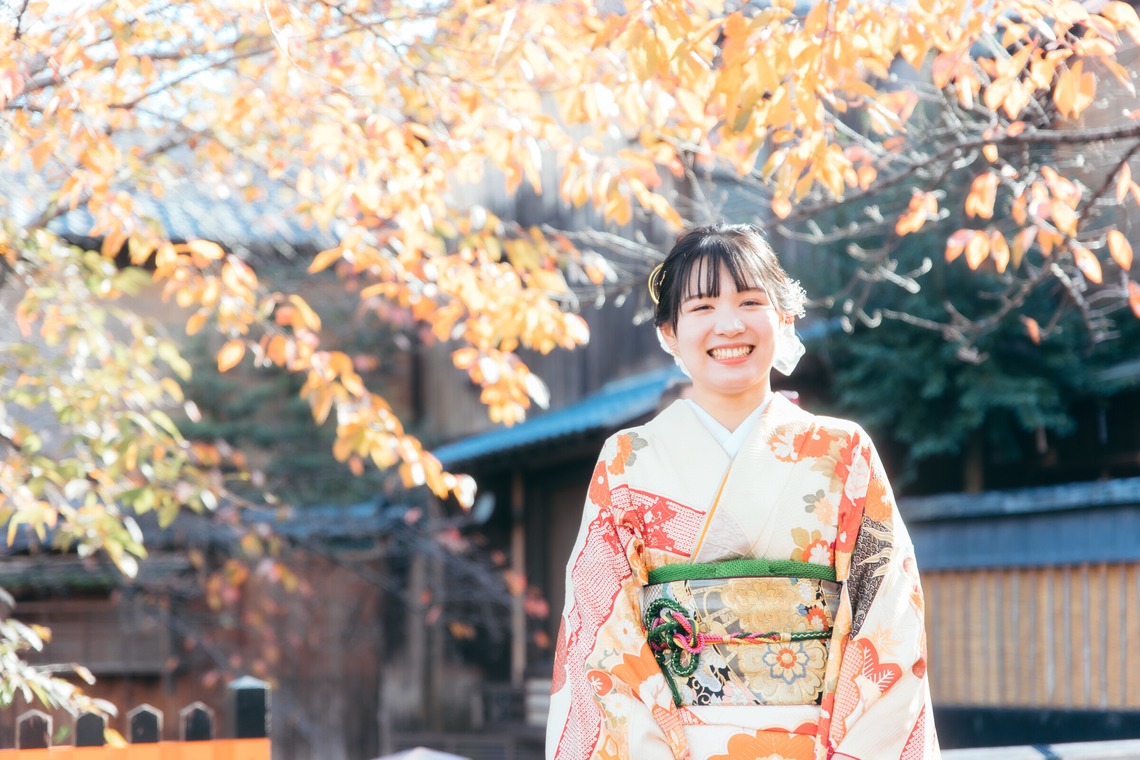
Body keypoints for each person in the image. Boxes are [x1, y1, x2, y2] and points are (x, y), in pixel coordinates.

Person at [546, 224, 938, 760]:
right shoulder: (627, 462)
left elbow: (889, 624)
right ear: (668, 331)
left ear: (785, 317)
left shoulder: (843, 452)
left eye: (750, 301)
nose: (729, 325)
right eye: (702, 308)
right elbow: (599, 637)